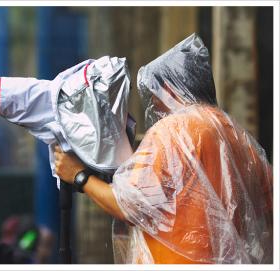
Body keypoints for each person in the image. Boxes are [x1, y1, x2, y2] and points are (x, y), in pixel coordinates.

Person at [54, 34, 272, 264]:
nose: (154, 105)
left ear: (168, 88)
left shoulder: (172, 130)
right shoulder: (235, 134)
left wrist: (78, 175)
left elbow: (128, 206)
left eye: (154, 95)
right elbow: (265, 204)